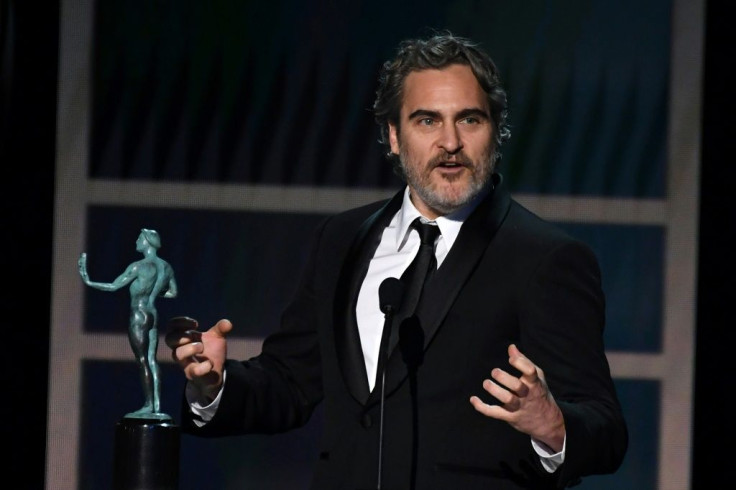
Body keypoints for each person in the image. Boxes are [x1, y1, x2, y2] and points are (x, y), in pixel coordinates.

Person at [166, 32, 628, 489]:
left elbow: (605, 430)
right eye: (427, 121)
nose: (450, 142)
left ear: (496, 132)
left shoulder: (546, 258)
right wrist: (215, 386)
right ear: (393, 135)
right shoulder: (342, 240)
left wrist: (552, 424)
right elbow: (291, 382)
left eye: (469, 120)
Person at [80, 228, 178, 420]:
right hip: (153, 313)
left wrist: (88, 281)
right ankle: (156, 405)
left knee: (142, 361)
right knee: (152, 360)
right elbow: (173, 292)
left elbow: (114, 286)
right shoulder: (166, 267)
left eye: (139, 238)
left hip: (139, 313)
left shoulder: (138, 267)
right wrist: (153, 293)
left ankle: (149, 405)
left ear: (148, 242)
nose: (136, 241)